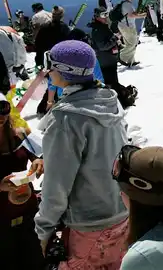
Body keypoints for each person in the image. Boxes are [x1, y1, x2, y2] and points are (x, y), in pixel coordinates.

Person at [35, 40, 129, 268]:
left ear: (64, 71)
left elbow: (56, 186)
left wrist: (44, 230)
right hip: (121, 213)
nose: (47, 71)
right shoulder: (109, 101)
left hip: (88, 224)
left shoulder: (66, 119)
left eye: (50, 64)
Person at [0, 94, 45, 269]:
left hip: (28, 211)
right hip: (2, 221)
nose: (1, 116)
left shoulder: (20, 133)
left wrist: (38, 162)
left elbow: (40, 154)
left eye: (3, 108)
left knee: (34, 260)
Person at [90, 8, 123, 91]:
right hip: (106, 62)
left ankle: (118, 94)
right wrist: (115, 38)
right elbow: (103, 46)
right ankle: (116, 96)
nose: (105, 17)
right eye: (103, 15)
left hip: (109, 60)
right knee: (111, 82)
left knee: (113, 81)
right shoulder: (98, 29)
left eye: (106, 14)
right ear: (97, 17)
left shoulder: (102, 27)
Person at [118, 0, 146, 67]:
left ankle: (131, 61)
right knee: (133, 44)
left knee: (129, 43)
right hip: (128, 27)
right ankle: (120, 56)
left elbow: (131, 14)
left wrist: (140, 14)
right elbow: (131, 15)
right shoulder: (127, 4)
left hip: (125, 26)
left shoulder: (125, 3)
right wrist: (142, 15)